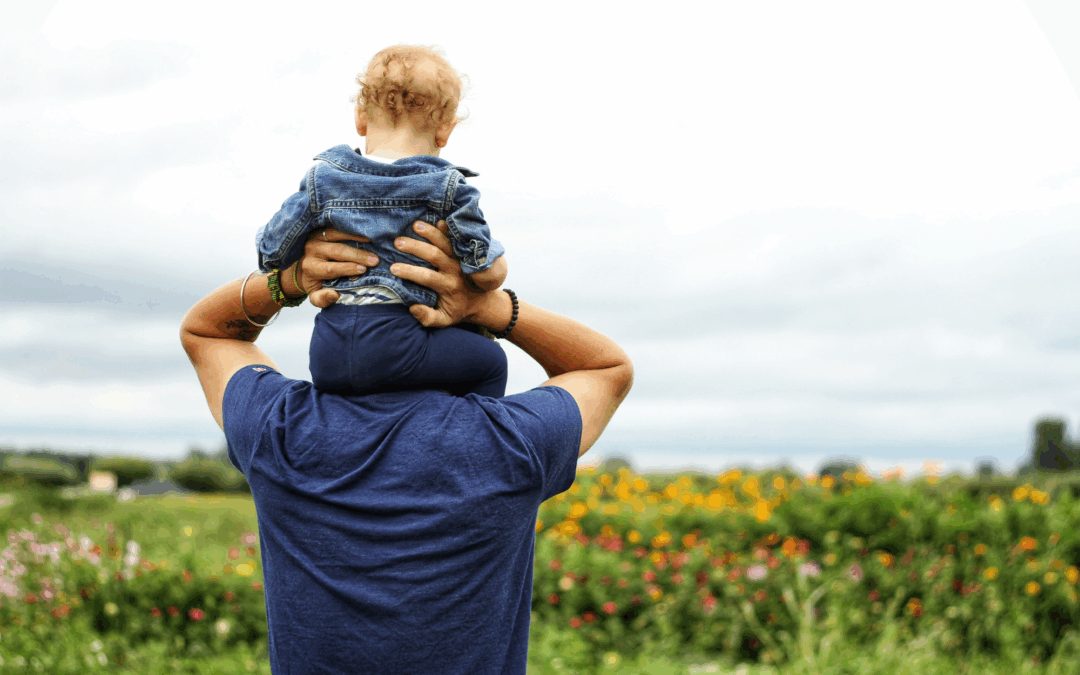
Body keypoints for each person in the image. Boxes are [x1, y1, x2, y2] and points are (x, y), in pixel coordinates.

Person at [180, 220, 633, 675]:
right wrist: (489, 307)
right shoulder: (510, 443)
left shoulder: (280, 429)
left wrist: (290, 281)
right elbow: (605, 368)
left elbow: (208, 333)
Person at [256, 45, 509, 397]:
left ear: (360, 117)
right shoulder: (448, 188)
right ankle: (474, 440)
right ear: (445, 131)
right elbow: (485, 273)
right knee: (491, 362)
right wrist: (494, 269)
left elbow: (271, 252)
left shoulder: (322, 179)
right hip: (402, 342)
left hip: (328, 348)